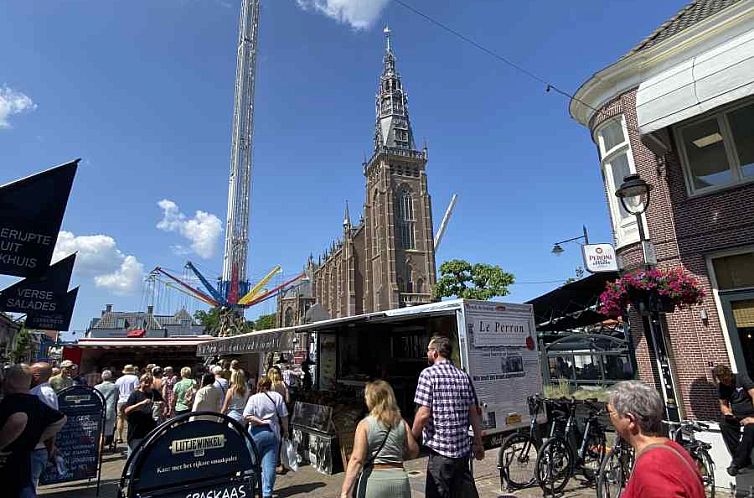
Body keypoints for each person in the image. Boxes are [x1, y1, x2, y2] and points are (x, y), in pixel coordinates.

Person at [412, 335, 484, 498]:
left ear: (435, 353)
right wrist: (478, 442)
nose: (427, 354)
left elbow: (423, 414)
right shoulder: (463, 376)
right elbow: (473, 412)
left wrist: (411, 437)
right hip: (461, 451)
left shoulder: (428, 375)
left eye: (429, 350)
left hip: (440, 453)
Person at [607, 380, 704, 497]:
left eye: (611, 412)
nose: (610, 419)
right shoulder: (673, 448)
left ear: (630, 420)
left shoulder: (653, 466)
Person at [340, 380, 419, 498]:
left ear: (372, 400)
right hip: (399, 480)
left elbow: (357, 459)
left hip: (373, 481)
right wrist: (397, 457)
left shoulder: (365, 425)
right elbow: (414, 451)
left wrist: (345, 492)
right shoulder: (401, 423)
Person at [0, 364, 66, 498]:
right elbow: (61, 419)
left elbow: (19, 419)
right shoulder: (34, 400)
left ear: (8, 381)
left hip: (16, 460)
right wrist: (35, 438)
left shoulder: (14, 401)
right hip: (25, 457)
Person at [243, 376, 288, 498]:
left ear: (259, 385)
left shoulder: (253, 398)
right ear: (270, 385)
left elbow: (246, 415)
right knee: (270, 465)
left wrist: (258, 421)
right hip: (272, 431)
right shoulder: (277, 396)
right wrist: (286, 430)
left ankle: (250, 489)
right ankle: (267, 492)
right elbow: (284, 416)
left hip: (255, 432)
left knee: (252, 463)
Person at [714, 364, 754, 475]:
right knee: (724, 425)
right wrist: (727, 412)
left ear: (729, 374)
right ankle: (743, 460)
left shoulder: (741, 378)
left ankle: (737, 463)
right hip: (736, 415)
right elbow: (723, 404)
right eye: (722, 381)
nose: (725, 382)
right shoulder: (722, 386)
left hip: (751, 414)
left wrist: (752, 419)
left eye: (726, 380)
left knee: (750, 430)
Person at [29, 362, 59, 491]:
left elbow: (51, 422)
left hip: (37, 448)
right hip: (36, 447)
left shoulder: (43, 393)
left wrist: (50, 446)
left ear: (36, 375)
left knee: (29, 485)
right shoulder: (38, 391)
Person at [124, 374, 163, 458]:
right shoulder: (135, 394)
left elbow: (163, 403)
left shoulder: (154, 393)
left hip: (150, 430)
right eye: (145, 382)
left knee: (148, 456)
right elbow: (126, 410)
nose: (148, 385)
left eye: (150, 382)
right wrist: (141, 404)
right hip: (136, 431)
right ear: (141, 382)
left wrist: (161, 405)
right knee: (134, 457)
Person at [94, 371, 118, 452]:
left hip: (99, 411)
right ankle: (100, 451)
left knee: (98, 432)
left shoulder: (97, 387)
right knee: (104, 433)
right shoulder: (115, 387)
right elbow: (117, 397)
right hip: (110, 410)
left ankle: (98, 449)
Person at [115, 365, 140, 444]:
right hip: (130, 400)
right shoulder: (135, 378)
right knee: (132, 419)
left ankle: (119, 437)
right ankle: (131, 435)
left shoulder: (119, 380)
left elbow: (116, 391)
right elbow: (136, 389)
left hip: (121, 400)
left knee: (120, 419)